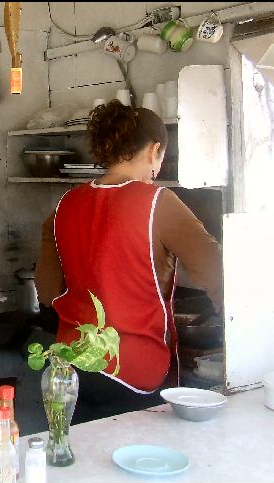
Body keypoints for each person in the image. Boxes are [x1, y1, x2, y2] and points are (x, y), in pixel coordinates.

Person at [34, 100, 223, 420]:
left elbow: (47, 291)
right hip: (133, 373)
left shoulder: (65, 204)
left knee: (79, 465)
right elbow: (219, 274)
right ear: (154, 151)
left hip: (71, 368)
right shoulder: (157, 203)